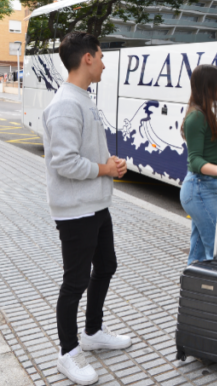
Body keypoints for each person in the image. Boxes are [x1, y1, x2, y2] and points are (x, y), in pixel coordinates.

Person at [43, 31, 132, 385]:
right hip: (75, 210)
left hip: (95, 205)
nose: (105, 63)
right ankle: (68, 353)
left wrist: (107, 162)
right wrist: (103, 169)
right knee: (75, 282)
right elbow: (63, 162)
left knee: (106, 265)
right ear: (88, 58)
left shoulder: (82, 98)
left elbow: (81, 153)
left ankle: (93, 332)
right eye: (101, 55)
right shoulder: (66, 103)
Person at [180, 64, 217, 265]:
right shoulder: (197, 116)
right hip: (199, 189)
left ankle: (193, 294)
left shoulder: (204, 114)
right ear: (209, 86)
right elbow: (195, 160)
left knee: (197, 256)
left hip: (203, 189)